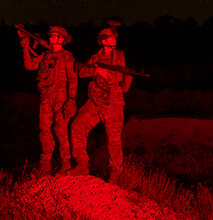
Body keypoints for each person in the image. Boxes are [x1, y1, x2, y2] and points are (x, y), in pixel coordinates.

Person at [67, 24, 132, 182]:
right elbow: (81, 71)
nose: (114, 40)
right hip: (95, 99)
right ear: (103, 41)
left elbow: (117, 76)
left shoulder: (118, 56)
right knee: (77, 125)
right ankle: (82, 164)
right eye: (110, 38)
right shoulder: (95, 58)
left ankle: (116, 174)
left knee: (113, 138)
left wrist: (105, 72)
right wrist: (96, 70)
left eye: (114, 38)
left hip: (112, 101)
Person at [20, 25, 78, 177]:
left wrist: (71, 100)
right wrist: (25, 48)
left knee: (61, 131)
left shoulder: (67, 57)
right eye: (51, 35)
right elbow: (30, 65)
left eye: (54, 35)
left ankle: (66, 164)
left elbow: (73, 79)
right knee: (44, 131)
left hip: (61, 98)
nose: (51, 37)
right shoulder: (46, 55)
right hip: (46, 97)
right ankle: (45, 164)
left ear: (61, 39)